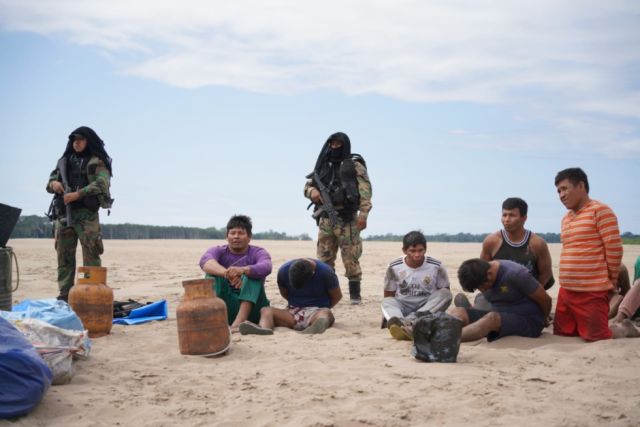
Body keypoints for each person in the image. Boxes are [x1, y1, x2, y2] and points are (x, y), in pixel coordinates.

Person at [553, 167, 625, 341]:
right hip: (567, 291)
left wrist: (610, 281)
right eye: (558, 191)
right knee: (563, 333)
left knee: (596, 336)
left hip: (592, 291)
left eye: (565, 188)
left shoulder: (600, 211)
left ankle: (626, 329)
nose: (561, 195)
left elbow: (614, 249)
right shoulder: (566, 218)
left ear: (581, 186)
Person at [46, 126, 113, 302]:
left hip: (86, 215)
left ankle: (92, 294)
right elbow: (50, 181)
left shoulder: (97, 161)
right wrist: (55, 185)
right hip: (64, 215)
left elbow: (102, 184)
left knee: (91, 256)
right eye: (74, 140)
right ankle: (65, 295)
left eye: (80, 140)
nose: (76, 143)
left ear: (88, 141)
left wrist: (77, 194)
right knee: (64, 258)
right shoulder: (65, 161)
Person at [304, 132, 372, 305]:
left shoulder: (355, 166)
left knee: (351, 258)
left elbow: (365, 192)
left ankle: (355, 297)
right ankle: (329, 294)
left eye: (338, 144)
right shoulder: (322, 165)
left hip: (348, 220)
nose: (334, 147)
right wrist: (312, 192)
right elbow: (307, 186)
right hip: (326, 220)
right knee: (324, 259)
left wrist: (363, 215)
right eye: (332, 144)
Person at [455, 197, 554, 311]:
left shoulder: (537, 243)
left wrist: (533, 293)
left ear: (524, 218)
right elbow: (480, 273)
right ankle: (470, 309)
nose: (507, 219)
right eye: (504, 215)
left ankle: (470, 310)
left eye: (512, 215)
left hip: (526, 293)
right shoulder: (492, 241)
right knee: (485, 308)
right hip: (497, 292)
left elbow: (546, 275)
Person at [199, 215, 272, 332]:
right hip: (227, 307)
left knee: (252, 275)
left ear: (249, 237)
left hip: (254, 308)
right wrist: (228, 274)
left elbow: (267, 267)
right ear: (226, 236)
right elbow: (205, 262)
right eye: (232, 233)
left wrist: (243, 270)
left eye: (241, 233)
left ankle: (239, 323)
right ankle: (213, 319)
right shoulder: (218, 250)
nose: (236, 237)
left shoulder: (258, 252)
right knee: (212, 275)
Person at [450, 258, 551, 342]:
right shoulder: (481, 274)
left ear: (489, 273)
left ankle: (449, 339)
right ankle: (442, 332)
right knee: (459, 312)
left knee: (491, 318)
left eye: (482, 286)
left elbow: (545, 300)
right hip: (500, 316)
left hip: (528, 321)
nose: (482, 290)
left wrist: (544, 318)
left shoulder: (515, 274)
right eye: (478, 288)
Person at [238, 258, 342, 335]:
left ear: (313, 273)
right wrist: (296, 307)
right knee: (266, 310)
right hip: (293, 312)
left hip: (317, 310)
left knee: (325, 314)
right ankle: (264, 329)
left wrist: (321, 307)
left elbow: (337, 296)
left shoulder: (326, 272)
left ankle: (314, 327)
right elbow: (284, 293)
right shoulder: (283, 271)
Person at [381, 231, 452, 340]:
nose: (417, 254)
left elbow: (444, 291)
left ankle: (409, 322)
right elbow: (389, 293)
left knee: (446, 294)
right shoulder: (394, 266)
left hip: (427, 306)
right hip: (403, 305)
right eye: (412, 251)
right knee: (387, 301)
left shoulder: (436, 265)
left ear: (425, 249)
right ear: (404, 250)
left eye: (420, 250)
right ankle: (400, 322)